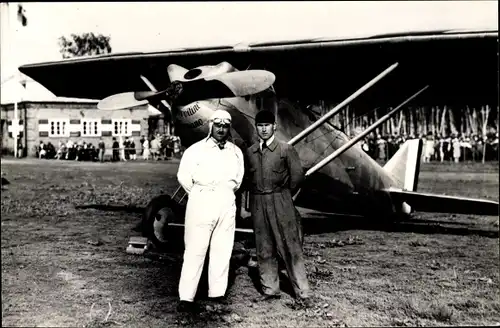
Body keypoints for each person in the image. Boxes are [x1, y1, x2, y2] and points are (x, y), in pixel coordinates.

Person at [176, 109, 245, 313]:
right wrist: (200, 194)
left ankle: (217, 293)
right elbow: (184, 176)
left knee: (222, 250)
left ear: (228, 127)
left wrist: (223, 193)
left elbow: (238, 180)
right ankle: (186, 297)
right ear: (211, 126)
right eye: (217, 125)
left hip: (226, 202)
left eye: (225, 126)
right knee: (195, 250)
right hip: (201, 201)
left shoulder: (235, 152)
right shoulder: (196, 150)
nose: (221, 129)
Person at [244, 109, 313, 308]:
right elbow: (247, 180)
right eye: (260, 125)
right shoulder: (251, 152)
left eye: (267, 125)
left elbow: (297, 177)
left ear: (274, 126)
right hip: (258, 202)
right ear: (256, 128)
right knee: (264, 247)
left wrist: (283, 195)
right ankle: (270, 289)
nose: (264, 129)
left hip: (281, 199)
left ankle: (303, 292)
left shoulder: (285, 149)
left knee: (290, 247)